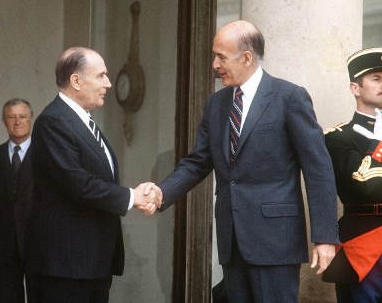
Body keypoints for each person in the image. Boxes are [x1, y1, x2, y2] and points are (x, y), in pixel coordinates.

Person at [156, 20, 339, 302]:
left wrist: (325, 237)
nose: (214, 64)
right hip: (232, 240)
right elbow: (197, 162)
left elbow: (318, 169)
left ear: (246, 57)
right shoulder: (216, 104)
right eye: (214, 55)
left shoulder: (289, 97)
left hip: (276, 241)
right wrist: (161, 192)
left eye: (221, 57)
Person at [24, 47, 161, 303]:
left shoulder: (82, 121)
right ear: (76, 80)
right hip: (63, 266)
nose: (108, 83)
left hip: (91, 263)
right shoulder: (54, 121)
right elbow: (78, 183)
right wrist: (132, 197)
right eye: (101, 76)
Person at [322, 47, 382, 302]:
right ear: (355, 88)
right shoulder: (337, 136)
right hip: (362, 242)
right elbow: (364, 186)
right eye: (376, 78)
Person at [0, 98, 35, 302]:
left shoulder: (45, 155)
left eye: (22, 116)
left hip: (37, 239)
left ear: (31, 119)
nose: (17, 121)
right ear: (4, 122)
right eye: (11, 117)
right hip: (3, 242)